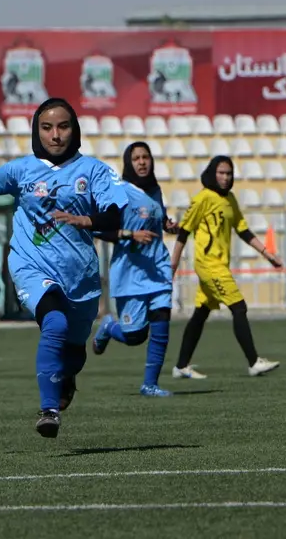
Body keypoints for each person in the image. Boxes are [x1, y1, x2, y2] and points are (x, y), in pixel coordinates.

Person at [0, 97, 129, 439]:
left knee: (74, 354)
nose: (55, 135)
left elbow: (116, 212)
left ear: (74, 130)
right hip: (31, 265)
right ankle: (48, 411)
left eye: (63, 126)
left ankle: (65, 377)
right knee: (54, 322)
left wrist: (87, 219)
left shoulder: (94, 170)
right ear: (37, 130)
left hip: (80, 277)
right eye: (47, 127)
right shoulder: (20, 169)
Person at [169, 155, 282, 380]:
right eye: (221, 172)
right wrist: (173, 264)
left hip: (220, 265)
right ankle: (254, 362)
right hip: (208, 265)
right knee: (238, 307)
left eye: (229, 173)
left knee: (201, 313)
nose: (225, 177)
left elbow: (243, 230)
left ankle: (181, 366)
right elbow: (184, 232)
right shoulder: (203, 198)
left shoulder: (230, 199)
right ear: (212, 173)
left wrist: (268, 254)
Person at [92, 142, 180, 397]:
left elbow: (159, 219)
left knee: (162, 321)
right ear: (128, 163)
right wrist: (130, 234)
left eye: (146, 157)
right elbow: (99, 228)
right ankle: (109, 326)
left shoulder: (155, 190)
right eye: (136, 158)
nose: (142, 162)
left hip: (158, 268)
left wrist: (169, 225)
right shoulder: (119, 193)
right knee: (134, 336)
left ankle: (150, 384)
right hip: (129, 273)